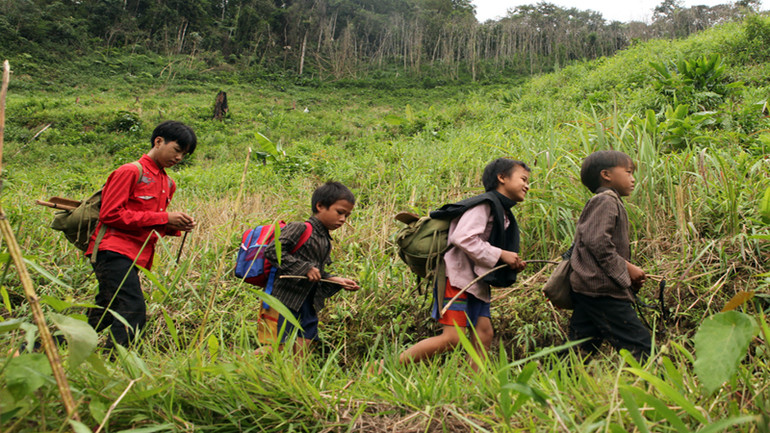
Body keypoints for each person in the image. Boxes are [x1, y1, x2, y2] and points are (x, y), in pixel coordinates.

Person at [398, 158, 530, 368]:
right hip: (456, 279)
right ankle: (383, 367)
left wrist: (508, 260)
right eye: (523, 179)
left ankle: (474, 387)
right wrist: (500, 254)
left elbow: (484, 247)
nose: (527, 185)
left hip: (476, 282)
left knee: (484, 334)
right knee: (452, 338)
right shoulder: (484, 205)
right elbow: (463, 238)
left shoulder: (502, 211)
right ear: (502, 178)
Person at [86, 120, 197, 351]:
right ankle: (117, 362)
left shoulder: (168, 182)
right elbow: (110, 214)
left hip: (136, 256)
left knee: (105, 311)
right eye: (177, 150)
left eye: (183, 155)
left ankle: (47, 344)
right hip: (112, 251)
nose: (178, 158)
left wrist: (175, 225)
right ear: (158, 141)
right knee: (132, 308)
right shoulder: (130, 171)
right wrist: (165, 218)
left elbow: (147, 221)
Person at [568, 150, 651, 361]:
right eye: (629, 172)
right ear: (606, 175)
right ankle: (656, 385)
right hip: (603, 291)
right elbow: (598, 242)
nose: (633, 179)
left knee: (579, 347)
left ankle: (555, 385)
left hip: (592, 288)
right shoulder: (606, 201)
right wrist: (626, 270)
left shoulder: (608, 201)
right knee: (639, 345)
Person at [262, 181, 360, 355]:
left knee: (305, 343)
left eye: (347, 215)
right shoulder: (300, 228)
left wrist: (334, 279)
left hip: (307, 302)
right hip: (284, 299)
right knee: (278, 347)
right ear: (320, 206)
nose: (343, 220)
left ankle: (295, 379)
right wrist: (304, 268)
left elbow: (316, 272)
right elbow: (272, 251)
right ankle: (234, 366)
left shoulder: (324, 239)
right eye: (340, 212)